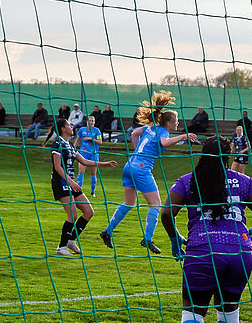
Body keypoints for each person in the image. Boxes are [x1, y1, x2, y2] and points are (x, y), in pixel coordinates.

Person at [158, 138, 252, 323]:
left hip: (201, 251)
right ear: (229, 157)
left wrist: (174, 239)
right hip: (238, 252)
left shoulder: (188, 180)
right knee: (228, 306)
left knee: (194, 309)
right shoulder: (243, 181)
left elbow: (166, 212)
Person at [101, 91, 197, 252]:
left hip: (130, 165)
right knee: (156, 205)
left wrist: (136, 150)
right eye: (176, 121)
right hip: (141, 169)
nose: (178, 123)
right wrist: (183, 137)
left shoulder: (151, 128)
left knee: (129, 203)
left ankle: (107, 232)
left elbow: (134, 133)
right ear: (169, 122)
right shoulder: (163, 132)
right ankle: (147, 239)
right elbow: (165, 143)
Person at [49, 117, 116, 255]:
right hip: (61, 183)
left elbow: (84, 161)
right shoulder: (57, 144)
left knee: (88, 211)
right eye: (68, 125)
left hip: (70, 183)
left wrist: (105, 164)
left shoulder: (70, 145)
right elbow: (57, 167)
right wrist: (71, 182)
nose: (71, 126)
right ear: (63, 129)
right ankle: (61, 247)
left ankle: (71, 240)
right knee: (72, 215)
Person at [77, 112, 106, 196]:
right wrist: (74, 147)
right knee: (81, 171)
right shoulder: (82, 130)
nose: (92, 122)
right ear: (87, 122)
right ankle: (78, 192)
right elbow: (78, 139)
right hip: (83, 153)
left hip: (93, 154)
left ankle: (92, 192)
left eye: (93, 121)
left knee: (93, 173)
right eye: (90, 120)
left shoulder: (97, 131)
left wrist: (91, 139)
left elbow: (100, 142)